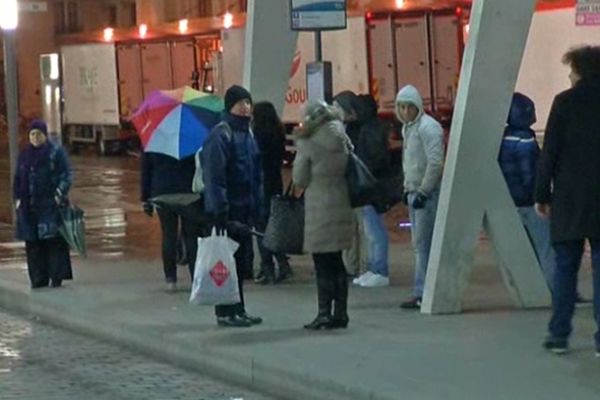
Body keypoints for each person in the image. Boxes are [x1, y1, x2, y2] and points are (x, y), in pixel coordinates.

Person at [535, 45, 600, 355]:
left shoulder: (564, 102)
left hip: (569, 200)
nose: (570, 76)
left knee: (565, 268)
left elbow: (550, 153)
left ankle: (559, 335)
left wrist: (541, 195)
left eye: (572, 70)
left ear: (580, 71)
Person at [202, 84, 263, 328]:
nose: (246, 107)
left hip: (245, 208)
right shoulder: (222, 134)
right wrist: (220, 210)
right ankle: (225, 311)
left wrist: (257, 205)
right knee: (225, 263)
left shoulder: (247, 134)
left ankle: (238, 308)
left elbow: (255, 173)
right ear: (230, 106)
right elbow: (215, 177)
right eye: (240, 103)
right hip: (228, 211)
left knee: (239, 263)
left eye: (248, 102)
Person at [293, 101, 354, 330]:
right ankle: (341, 313)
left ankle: (323, 313)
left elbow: (299, 178)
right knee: (337, 262)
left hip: (319, 205)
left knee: (322, 264)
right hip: (341, 200)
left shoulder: (308, 142)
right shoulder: (341, 135)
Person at [498, 93, 556, 291]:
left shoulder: (504, 138)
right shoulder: (525, 141)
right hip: (530, 203)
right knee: (546, 247)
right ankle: (554, 288)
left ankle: (531, 288)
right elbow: (530, 174)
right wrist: (541, 197)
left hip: (512, 202)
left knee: (525, 248)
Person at [395, 85, 444, 310]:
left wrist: (424, 191)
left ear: (418, 107)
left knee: (424, 245)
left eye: (409, 107)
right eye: (401, 107)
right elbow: (412, 163)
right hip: (415, 191)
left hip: (427, 194)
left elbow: (434, 162)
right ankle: (421, 290)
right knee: (419, 244)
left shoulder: (427, 128)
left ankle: (424, 291)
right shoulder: (409, 128)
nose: (405, 111)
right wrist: (408, 189)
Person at [14, 120, 73, 289]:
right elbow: (18, 178)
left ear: (45, 135)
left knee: (52, 241)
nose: (35, 137)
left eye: (38, 134)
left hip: (50, 205)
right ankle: (38, 278)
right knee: (33, 243)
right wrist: (18, 198)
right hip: (29, 206)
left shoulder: (55, 153)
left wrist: (58, 195)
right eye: (32, 134)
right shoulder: (25, 155)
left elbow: (67, 174)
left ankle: (56, 276)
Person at [140, 149, 202, 293]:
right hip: (189, 192)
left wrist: (145, 198)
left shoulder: (154, 141)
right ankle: (196, 279)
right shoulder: (193, 138)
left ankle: (170, 280)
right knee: (191, 237)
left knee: (168, 235)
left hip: (162, 193)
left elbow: (146, 170)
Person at [350, 94, 392, 288]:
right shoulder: (373, 128)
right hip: (374, 186)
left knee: (375, 231)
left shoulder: (369, 130)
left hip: (371, 187)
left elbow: (373, 159)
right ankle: (375, 268)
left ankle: (380, 269)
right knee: (372, 229)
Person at [252, 101, 293, 284]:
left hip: (261, 184)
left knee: (261, 227)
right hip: (275, 182)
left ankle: (267, 266)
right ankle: (283, 263)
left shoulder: (256, 135)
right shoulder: (278, 133)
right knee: (275, 224)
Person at [332, 91, 367, 279]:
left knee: (352, 228)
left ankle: (352, 266)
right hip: (346, 186)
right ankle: (351, 265)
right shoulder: (342, 128)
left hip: (347, 186)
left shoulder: (348, 129)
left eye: (337, 106)